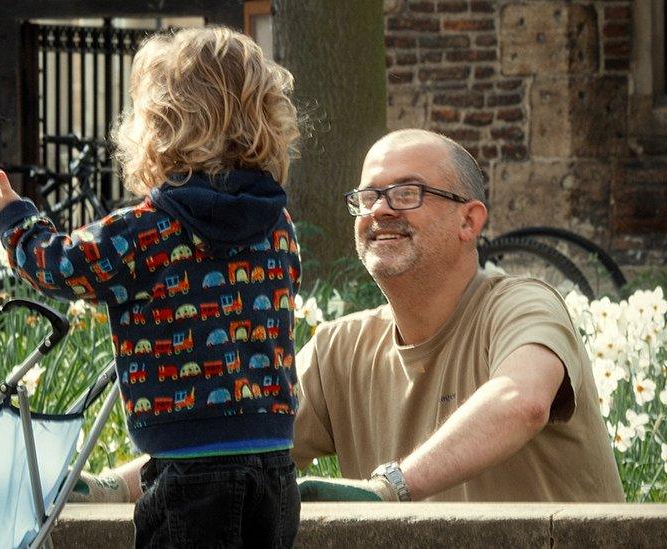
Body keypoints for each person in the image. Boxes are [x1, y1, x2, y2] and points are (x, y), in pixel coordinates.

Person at [84, 128, 624, 504]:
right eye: (367, 197)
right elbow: (231, 439)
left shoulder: (521, 305)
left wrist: (389, 488)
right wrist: (103, 489)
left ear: (470, 220)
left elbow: (521, 401)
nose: (380, 210)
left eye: (407, 193)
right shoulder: (340, 350)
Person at [0, 26, 304, 546]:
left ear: (160, 127)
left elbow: (59, 265)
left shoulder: (145, 231)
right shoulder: (278, 226)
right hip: (276, 468)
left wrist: (14, 217)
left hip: (188, 472)